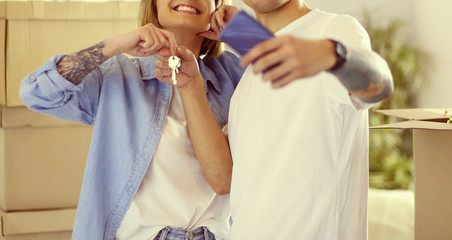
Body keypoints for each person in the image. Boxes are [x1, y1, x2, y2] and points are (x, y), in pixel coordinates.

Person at [19, 0, 244, 239]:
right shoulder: (118, 76)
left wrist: (246, 33)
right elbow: (36, 92)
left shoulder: (233, 75)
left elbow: (288, 90)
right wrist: (113, 45)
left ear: (216, 7)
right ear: (154, 5)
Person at [201, 0, 393, 239]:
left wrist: (334, 55)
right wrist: (244, 32)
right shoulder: (249, 77)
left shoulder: (333, 30)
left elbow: (380, 85)